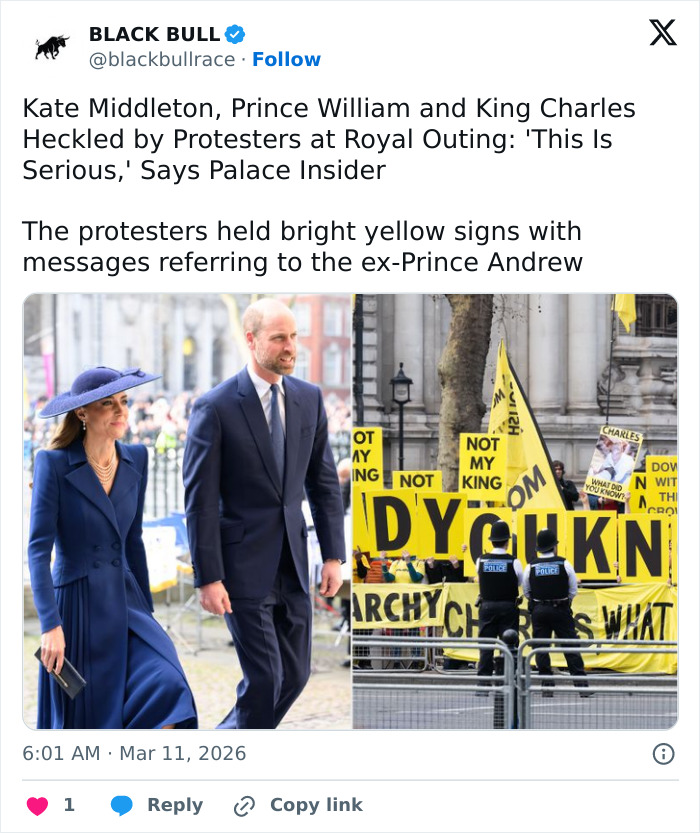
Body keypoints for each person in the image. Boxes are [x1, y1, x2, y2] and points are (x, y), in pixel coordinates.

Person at [183, 298, 345, 729]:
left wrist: (333, 556)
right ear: (251, 340)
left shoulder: (309, 398)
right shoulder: (215, 407)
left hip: (294, 564)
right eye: (279, 338)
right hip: (241, 568)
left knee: (296, 675)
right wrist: (208, 577)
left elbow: (324, 483)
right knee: (265, 678)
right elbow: (200, 501)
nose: (290, 347)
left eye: (293, 337)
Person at [29, 367, 197, 729]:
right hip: (76, 611)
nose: (121, 410)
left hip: (128, 605)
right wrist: (50, 625)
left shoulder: (137, 457)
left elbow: (133, 539)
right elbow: (38, 552)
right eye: (108, 403)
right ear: (82, 412)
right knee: (89, 720)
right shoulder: (52, 464)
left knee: (168, 688)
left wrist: (147, 613)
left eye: (124, 401)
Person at [522, 528, 591, 696]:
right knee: (571, 646)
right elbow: (573, 589)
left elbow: (526, 591)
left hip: (539, 610)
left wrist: (538, 602)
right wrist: (564, 600)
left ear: (539, 548)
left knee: (541, 649)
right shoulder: (564, 564)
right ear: (554, 546)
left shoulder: (531, 566)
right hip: (561, 609)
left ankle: (547, 687)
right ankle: (582, 687)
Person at [476, 520, 523, 684]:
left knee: (486, 646)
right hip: (508, 607)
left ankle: (483, 685)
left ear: (491, 541)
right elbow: (518, 582)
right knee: (509, 647)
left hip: (487, 606)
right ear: (507, 542)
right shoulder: (514, 562)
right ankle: (509, 682)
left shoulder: (481, 560)